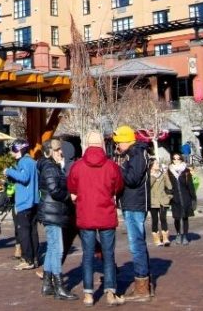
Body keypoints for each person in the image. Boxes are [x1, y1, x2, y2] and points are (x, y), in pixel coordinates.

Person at [67, 131, 125, 307]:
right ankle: (110, 292)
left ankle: (88, 294)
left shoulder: (77, 166)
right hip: (106, 214)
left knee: (87, 255)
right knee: (108, 254)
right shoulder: (111, 166)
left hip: (86, 215)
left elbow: (71, 186)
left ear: (86, 144)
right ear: (101, 144)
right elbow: (118, 186)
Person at [112, 125, 153, 301]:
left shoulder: (136, 154)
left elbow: (132, 179)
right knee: (137, 243)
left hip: (135, 204)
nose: (117, 146)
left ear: (127, 140)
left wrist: (118, 167)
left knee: (136, 244)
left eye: (119, 142)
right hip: (131, 202)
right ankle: (142, 283)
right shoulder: (131, 154)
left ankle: (142, 288)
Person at [37, 138, 77, 300]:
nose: (60, 152)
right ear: (48, 152)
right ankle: (59, 286)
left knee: (53, 248)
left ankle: (47, 284)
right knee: (57, 249)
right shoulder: (49, 167)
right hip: (52, 212)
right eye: (56, 149)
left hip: (53, 211)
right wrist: (69, 196)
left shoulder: (52, 166)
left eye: (60, 149)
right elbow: (55, 190)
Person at [4, 139, 40, 271]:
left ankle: (28, 259)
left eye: (14, 149)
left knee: (23, 232)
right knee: (33, 231)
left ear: (20, 149)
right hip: (34, 201)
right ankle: (35, 258)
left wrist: (9, 171)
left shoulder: (24, 161)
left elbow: (24, 178)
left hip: (25, 202)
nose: (12, 153)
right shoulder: (32, 162)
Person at [167, 154, 195, 244]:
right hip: (175, 197)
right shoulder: (169, 171)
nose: (176, 160)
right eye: (174, 159)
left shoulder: (186, 171)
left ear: (181, 159)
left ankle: (185, 236)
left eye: (178, 158)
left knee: (185, 217)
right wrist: (169, 194)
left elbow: (190, 185)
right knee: (177, 217)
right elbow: (167, 184)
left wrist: (193, 197)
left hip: (185, 196)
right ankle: (178, 234)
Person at [147, 156, 172, 253]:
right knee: (155, 220)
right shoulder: (148, 175)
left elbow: (169, 186)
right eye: (156, 164)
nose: (158, 165)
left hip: (163, 200)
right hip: (153, 201)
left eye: (158, 163)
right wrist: (153, 177)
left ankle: (165, 238)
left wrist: (169, 197)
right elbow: (148, 186)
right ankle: (157, 239)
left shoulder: (163, 174)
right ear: (151, 166)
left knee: (163, 218)